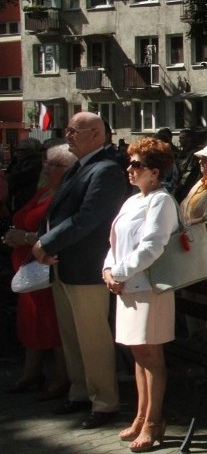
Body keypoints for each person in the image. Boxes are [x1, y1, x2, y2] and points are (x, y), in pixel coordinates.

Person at [32, 112, 125, 429]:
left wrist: (46, 242)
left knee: (92, 338)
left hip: (88, 267)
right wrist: (48, 244)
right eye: (67, 130)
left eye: (73, 130)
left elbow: (88, 218)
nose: (67, 135)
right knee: (72, 336)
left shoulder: (107, 170)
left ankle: (105, 401)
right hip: (65, 265)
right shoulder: (83, 166)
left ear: (96, 134)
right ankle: (81, 391)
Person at [102, 138, 178, 451]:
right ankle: (141, 415)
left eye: (137, 164)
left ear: (155, 172)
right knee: (138, 353)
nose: (129, 169)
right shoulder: (133, 200)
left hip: (150, 288)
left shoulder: (161, 200)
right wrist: (108, 271)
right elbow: (115, 242)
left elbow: (152, 246)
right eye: (130, 163)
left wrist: (118, 273)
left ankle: (153, 421)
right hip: (128, 286)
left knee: (151, 355)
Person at [2, 145, 76, 399]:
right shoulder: (44, 191)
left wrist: (25, 237)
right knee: (30, 324)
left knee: (52, 326)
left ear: (68, 169)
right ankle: (31, 374)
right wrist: (15, 235)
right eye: (46, 162)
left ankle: (61, 379)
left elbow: (61, 232)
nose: (46, 167)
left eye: (54, 164)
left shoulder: (65, 196)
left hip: (46, 269)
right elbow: (22, 217)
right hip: (27, 272)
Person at [6, 138, 42, 213]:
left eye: (22, 150)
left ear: (31, 151)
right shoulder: (17, 160)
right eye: (17, 150)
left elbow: (20, 176)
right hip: (16, 196)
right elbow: (8, 173)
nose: (19, 152)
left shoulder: (36, 161)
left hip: (29, 196)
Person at [174, 129, 201, 202]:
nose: (179, 140)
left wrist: (179, 188)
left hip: (186, 190)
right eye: (179, 138)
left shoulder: (194, 154)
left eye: (182, 138)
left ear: (189, 139)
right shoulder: (181, 153)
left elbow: (189, 174)